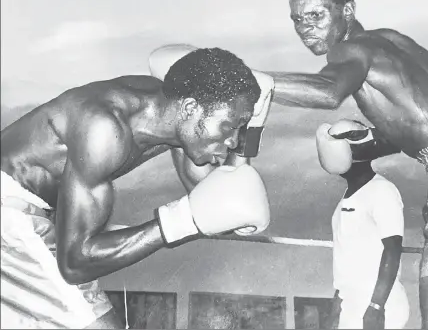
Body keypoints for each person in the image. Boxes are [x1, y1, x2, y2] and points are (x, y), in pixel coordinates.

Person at [244, 0, 428, 328]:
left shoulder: (350, 49)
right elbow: (427, 124)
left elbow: (329, 92)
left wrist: (254, 81)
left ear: (347, 10)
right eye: (297, 19)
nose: (305, 28)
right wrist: (368, 143)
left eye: (316, 15)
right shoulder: (394, 42)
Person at [0, 46, 275, 329]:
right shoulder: (104, 128)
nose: (233, 141)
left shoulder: (171, 114)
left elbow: (216, 191)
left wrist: (250, 135)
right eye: (230, 127)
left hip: (28, 212)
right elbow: (75, 264)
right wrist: (181, 220)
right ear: (191, 107)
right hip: (10, 210)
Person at [316, 119, 410, 329]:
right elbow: (345, 258)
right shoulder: (345, 199)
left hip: (379, 304)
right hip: (352, 304)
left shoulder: (382, 190)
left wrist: (376, 306)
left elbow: (392, 249)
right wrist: (336, 304)